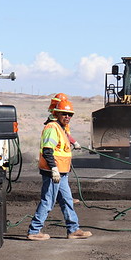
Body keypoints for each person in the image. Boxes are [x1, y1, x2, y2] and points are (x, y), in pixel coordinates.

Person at [26, 99, 92, 241]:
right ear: (56, 114)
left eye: (70, 115)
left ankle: (73, 230)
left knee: (67, 200)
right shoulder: (52, 128)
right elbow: (47, 151)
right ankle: (34, 230)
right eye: (64, 114)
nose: (67, 117)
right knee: (48, 201)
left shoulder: (61, 128)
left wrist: (74, 142)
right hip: (53, 173)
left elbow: (64, 140)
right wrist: (54, 169)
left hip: (61, 173)